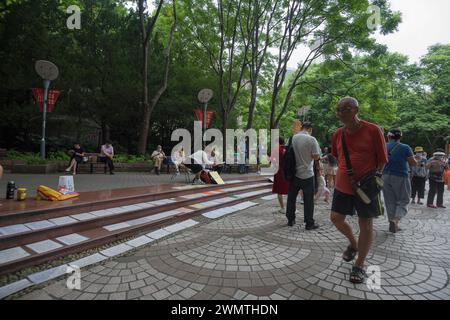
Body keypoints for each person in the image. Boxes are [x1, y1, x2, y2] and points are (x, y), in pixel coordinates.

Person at [330, 97, 388, 284]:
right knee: (336, 218)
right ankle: (354, 244)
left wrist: (376, 180)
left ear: (356, 109)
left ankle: (360, 265)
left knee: (367, 225)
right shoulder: (337, 134)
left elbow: (382, 159)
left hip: (366, 188)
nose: (341, 113)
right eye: (338, 110)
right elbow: (338, 156)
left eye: (345, 109)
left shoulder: (373, 130)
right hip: (342, 185)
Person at [286, 122, 321, 230]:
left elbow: (288, 153)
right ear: (310, 129)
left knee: (291, 198)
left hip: (294, 174)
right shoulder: (311, 139)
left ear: (301, 128)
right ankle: (309, 223)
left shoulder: (292, 138)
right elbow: (316, 157)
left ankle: (290, 219)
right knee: (308, 200)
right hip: (307, 175)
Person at [382, 128, 416, 233]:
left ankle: (391, 223)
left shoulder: (383, 146)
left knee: (389, 201)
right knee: (404, 200)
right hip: (401, 176)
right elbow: (412, 163)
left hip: (385, 176)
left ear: (388, 136)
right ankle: (396, 221)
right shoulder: (405, 147)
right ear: (400, 137)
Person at [271, 138, 290, 214]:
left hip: (278, 171)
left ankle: (283, 208)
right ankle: (291, 208)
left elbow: (272, 160)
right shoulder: (287, 149)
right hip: (287, 171)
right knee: (289, 190)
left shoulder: (275, 149)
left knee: (279, 191)